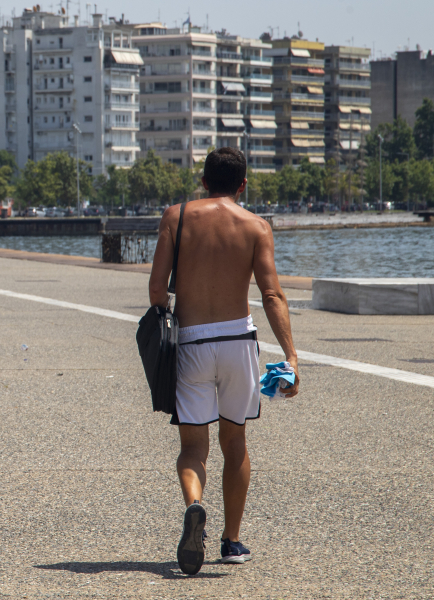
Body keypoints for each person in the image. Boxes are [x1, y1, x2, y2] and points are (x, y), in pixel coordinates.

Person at [148, 147, 300, 575]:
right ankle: (231, 542)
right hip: (238, 341)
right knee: (235, 445)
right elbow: (271, 294)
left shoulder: (176, 217)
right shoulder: (256, 226)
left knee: (194, 447)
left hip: (192, 342)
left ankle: (195, 505)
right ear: (243, 185)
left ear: (203, 181)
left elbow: (157, 290)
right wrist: (290, 355)